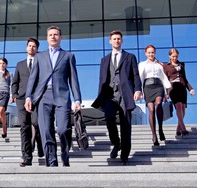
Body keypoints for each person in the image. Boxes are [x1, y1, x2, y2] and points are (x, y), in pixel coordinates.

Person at [25, 26, 81, 167]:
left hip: (62, 96)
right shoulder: (39, 56)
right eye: (50, 35)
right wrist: (28, 97)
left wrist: (77, 99)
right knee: (46, 131)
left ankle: (64, 152)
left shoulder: (68, 56)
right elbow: (32, 78)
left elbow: (73, 80)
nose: (53, 37)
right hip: (43, 96)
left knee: (63, 129)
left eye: (56, 34)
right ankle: (51, 162)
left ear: (60, 37)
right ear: (47, 38)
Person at [92, 30, 142, 165]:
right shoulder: (104, 60)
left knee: (126, 124)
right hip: (109, 94)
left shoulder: (130, 57)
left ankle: (124, 155)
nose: (116, 41)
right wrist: (100, 96)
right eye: (114, 39)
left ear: (122, 41)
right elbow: (102, 78)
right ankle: (116, 143)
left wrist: (137, 89)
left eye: (119, 39)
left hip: (125, 94)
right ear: (110, 41)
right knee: (109, 118)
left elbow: (135, 75)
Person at [11, 38, 44, 167]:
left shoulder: (41, 63)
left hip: (37, 98)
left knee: (36, 124)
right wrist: (14, 94)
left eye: (34, 46)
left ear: (37, 49)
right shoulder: (20, 64)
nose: (31, 48)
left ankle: (41, 146)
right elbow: (15, 82)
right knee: (24, 128)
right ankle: (27, 157)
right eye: (30, 46)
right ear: (26, 48)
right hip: (21, 99)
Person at [138, 45, 172, 146]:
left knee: (158, 104)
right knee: (151, 110)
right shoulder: (142, 64)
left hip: (158, 86)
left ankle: (160, 128)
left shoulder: (159, 65)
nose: (151, 54)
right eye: (149, 52)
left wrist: (166, 93)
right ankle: (154, 135)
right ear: (145, 53)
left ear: (155, 53)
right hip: (147, 87)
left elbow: (163, 78)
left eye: (152, 52)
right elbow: (140, 78)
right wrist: (140, 91)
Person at [163, 48, 195, 137]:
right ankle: (183, 128)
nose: (174, 58)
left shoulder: (182, 64)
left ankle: (178, 128)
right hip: (173, 88)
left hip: (182, 88)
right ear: (169, 56)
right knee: (178, 106)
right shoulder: (166, 66)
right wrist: (166, 93)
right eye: (173, 56)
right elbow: (165, 80)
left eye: (176, 56)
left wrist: (190, 89)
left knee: (183, 108)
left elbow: (184, 78)